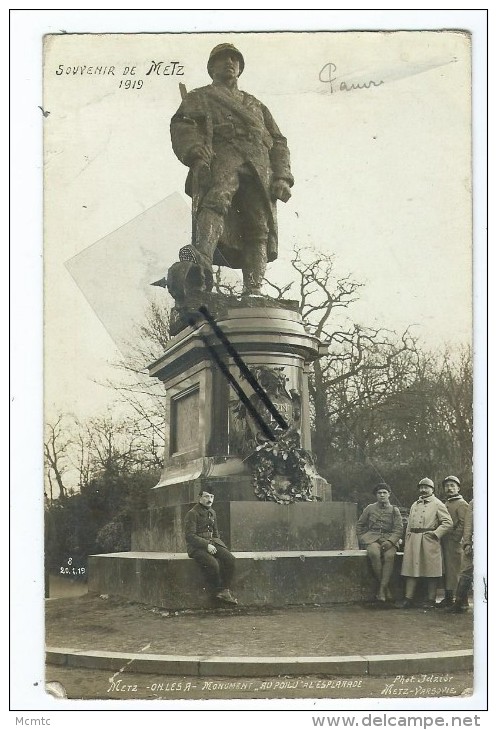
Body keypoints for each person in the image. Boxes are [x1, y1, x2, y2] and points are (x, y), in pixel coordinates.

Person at [169, 43, 293, 297]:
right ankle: (200, 265)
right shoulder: (200, 96)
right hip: (222, 157)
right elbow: (183, 125)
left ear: (240, 68)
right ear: (211, 67)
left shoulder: (256, 105)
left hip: (259, 168)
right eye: (223, 60)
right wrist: (194, 150)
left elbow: (278, 141)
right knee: (215, 203)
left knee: (259, 226)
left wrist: (282, 177)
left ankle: (254, 288)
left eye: (234, 61)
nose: (229, 64)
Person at [396, 477, 453, 609]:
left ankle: (431, 600)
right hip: (413, 540)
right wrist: (407, 539)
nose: (423, 490)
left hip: (429, 540)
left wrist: (435, 533)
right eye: (421, 487)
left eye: (426, 487)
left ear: (432, 489)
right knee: (411, 569)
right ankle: (408, 598)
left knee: (431, 570)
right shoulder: (414, 504)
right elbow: (409, 524)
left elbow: (448, 522)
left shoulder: (438, 504)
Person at [184, 489, 238, 604]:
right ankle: (218, 592)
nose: (210, 500)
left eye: (212, 497)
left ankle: (224, 590)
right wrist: (206, 545)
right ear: (199, 498)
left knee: (230, 559)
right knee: (213, 564)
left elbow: (216, 532)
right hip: (196, 548)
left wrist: (220, 547)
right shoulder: (192, 513)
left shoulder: (212, 512)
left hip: (212, 543)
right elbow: (190, 536)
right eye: (206, 497)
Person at [356, 483, 404, 604]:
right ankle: (384, 588)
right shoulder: (370, 508)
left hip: (389, 538)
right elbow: (360, 525)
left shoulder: (394, 510)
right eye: (379, 493)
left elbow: (398, 529)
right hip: (372, 538)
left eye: (384, 493)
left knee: (389, 556)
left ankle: (382, 589)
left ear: (389, 495)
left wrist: (390, 541)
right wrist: (363, 538)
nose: (382, 495)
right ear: (376, 495)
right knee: (374, 553)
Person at [436, 475, 468, 608]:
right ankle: (448, 597)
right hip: (445, 540)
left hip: (454, 543)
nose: (449, 488)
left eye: (452, 486)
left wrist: (456, 539)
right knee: (447, 570)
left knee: (455, 570)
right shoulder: (447, 502)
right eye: (447, 486)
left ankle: (458, 599)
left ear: (458, 488)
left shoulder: (461, 503)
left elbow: (463, 523)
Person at [448, 497, 473, 613]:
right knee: (466, 571)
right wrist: (467, 542)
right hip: (476, 543)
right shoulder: (474, 503)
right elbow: (468, 525)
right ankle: (459, 602)